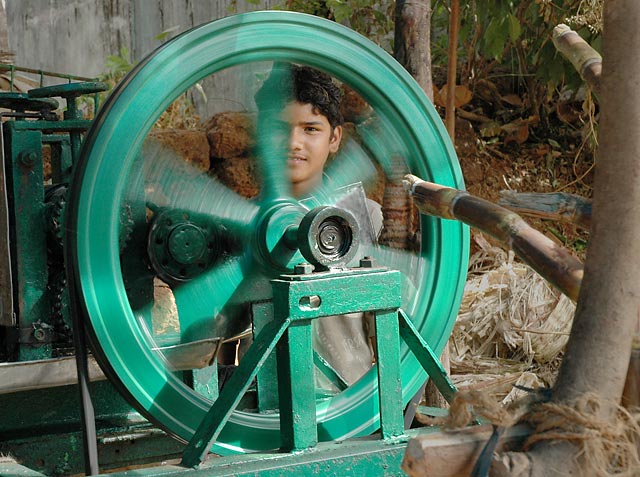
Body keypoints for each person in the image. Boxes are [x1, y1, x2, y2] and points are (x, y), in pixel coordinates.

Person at [253, 64, 382, 389]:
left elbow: (389, 323)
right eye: (279, 129)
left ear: (335, 138)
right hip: (264, 412)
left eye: (310, 129)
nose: (293, 142)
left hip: (348, 407)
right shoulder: (242, 225)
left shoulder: (364, 216)